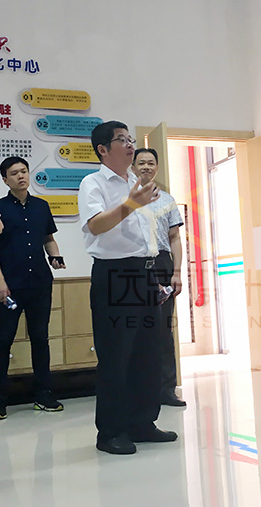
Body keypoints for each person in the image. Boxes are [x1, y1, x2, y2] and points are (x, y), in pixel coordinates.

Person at [80, 121, 177, 455]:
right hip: (115, 274)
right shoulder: (92, 183)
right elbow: (96, 225)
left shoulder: (135, 183)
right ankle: (110, 432)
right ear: (103, 149)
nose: (130, 145)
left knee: (148, 353)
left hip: (144, 273)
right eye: (122, 140)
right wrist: (131, 204)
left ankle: (142, 423)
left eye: (130, 139)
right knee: (116, 355)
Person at [0, 155, 66, 420]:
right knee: (3, 339)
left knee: (40, 338)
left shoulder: (42, 206)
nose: (21, 176)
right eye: (14, 173)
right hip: (10, 286)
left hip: (39, 283)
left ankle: (43, 395)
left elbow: (48, 238)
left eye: (24, 171)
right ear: (5, 179)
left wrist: (55, 256)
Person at [131, 148, 186, 407]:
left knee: (163, 330)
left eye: (150, 163)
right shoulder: (126, 198)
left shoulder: (167, 200)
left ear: (157, 168)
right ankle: (140, 390)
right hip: (134, 265)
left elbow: (175, 238)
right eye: (141, 163)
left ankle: (167, 389)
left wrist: (177, 272)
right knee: (135, 329)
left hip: (162, 263)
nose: (146, 167)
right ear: (133, 167)